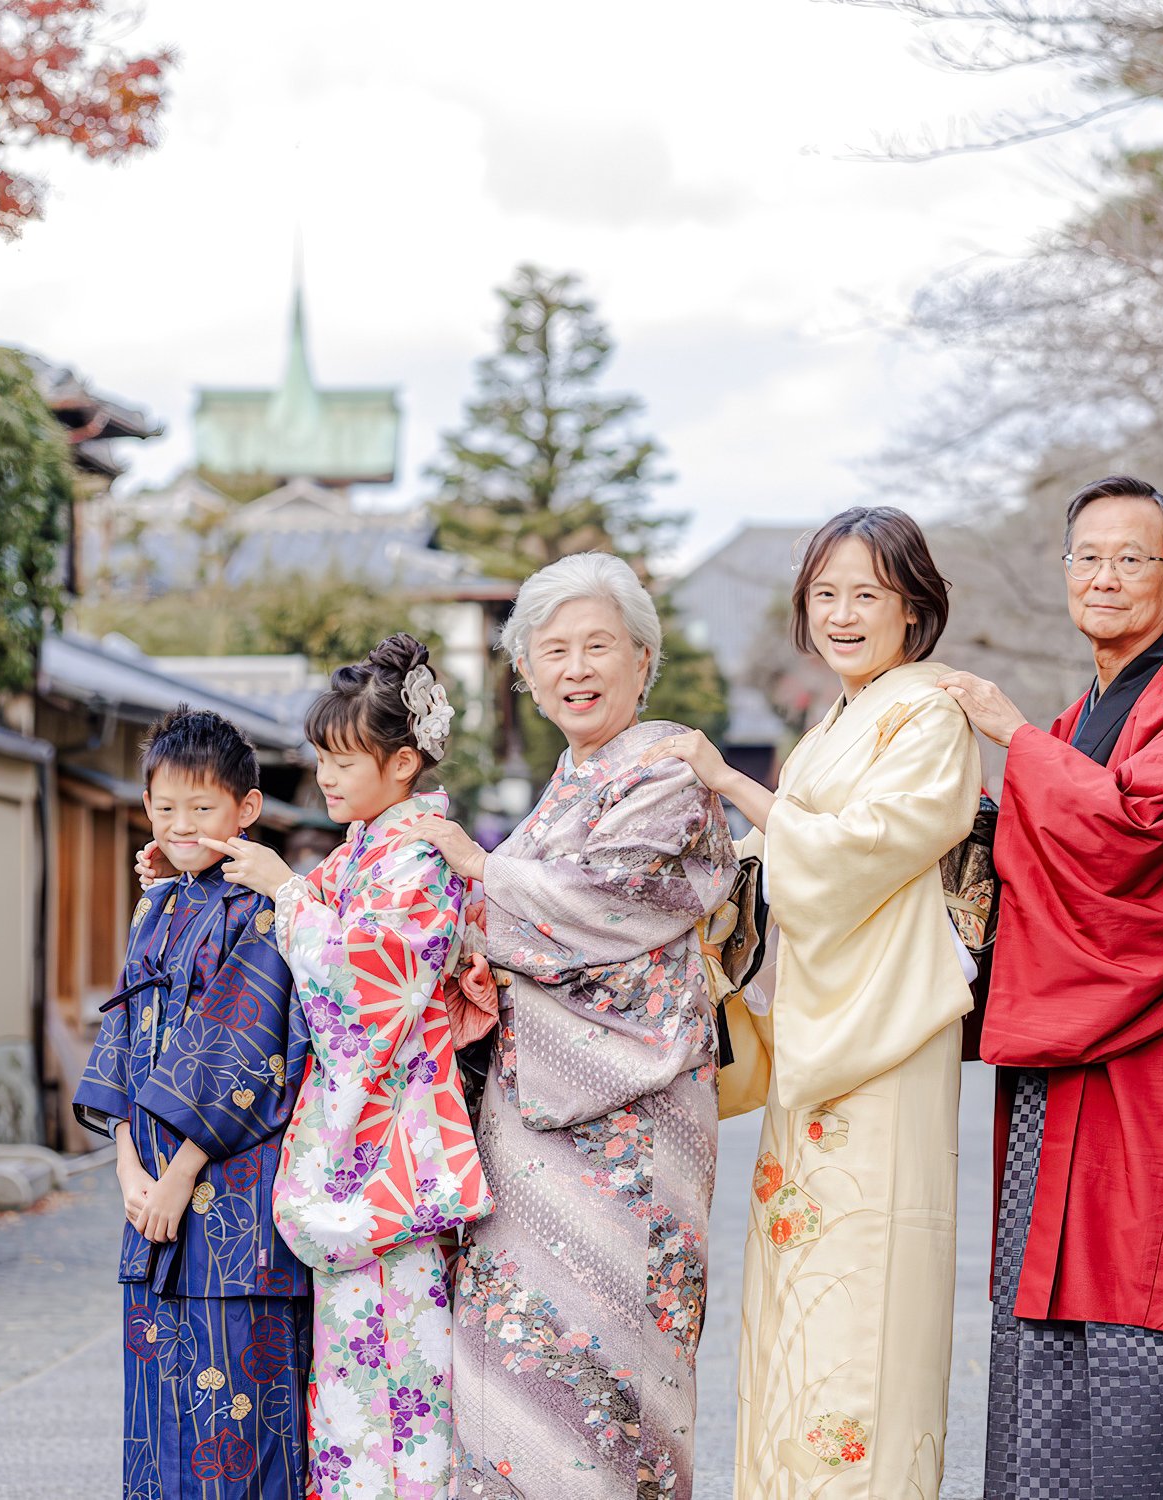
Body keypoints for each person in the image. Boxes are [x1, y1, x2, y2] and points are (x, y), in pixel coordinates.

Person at [643, 506, 981, 1499]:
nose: (841, 613)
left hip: (880, 1035)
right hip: (822, 1031)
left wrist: (728, 786)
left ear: (914, 608)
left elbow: (856, 853)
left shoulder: (927, 713)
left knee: (867, 1307)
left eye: (866, 594)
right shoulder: (835, 720)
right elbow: (784, 867)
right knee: (802, 1305)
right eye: (825, 594)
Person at [939, 476, 1163, 1499]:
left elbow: (1134, 843)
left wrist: (1013, 739)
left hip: (1161, 1065)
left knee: (1149, 1310)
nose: (1107, 577)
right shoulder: (1084, 715)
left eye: (1133, 559)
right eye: (1089, 556)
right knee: (1047, 1316)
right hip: (1066, 1058)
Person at [402, 552, 737, 1500]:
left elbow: (606, 904)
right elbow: (519, 926)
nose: (576, 668)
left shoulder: (668, 770)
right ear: (528, 674)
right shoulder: (565, 784)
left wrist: (482, 874)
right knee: (511, 1355)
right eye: (554, 651)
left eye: (599, 646)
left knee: (620, 1354)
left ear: (644, 659)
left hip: (634, 1116)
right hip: (531, 1116)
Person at [187, 635, 477, 1500]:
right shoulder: (362, 853)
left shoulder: (421, 854)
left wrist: (286, 892)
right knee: (355, 1369)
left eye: (343, 759)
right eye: (320, 757)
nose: (326, 775)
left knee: (398, 1365)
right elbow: (315, 918)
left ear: (402, 761)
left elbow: (372, 987)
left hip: (394, 1137)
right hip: (362, 1134)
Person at [77, 707, 311, 1500]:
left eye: (201, 808)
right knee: (157, 1424)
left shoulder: (265, 909)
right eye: (165, 808)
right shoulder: (158, 907)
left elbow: (247, 1053)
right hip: (150, 1203)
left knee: (240, 1427)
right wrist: (125, 1167)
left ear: (246, 809)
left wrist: (178, 1173)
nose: (181, 825)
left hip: (233, 1210)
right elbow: (121, 1038)